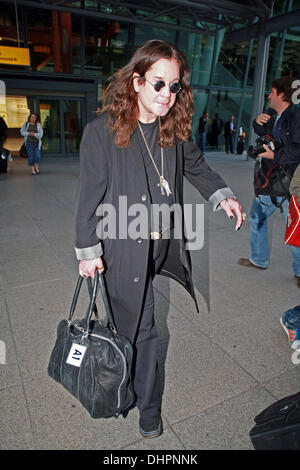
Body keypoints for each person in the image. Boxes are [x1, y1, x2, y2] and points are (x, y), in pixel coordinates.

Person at [75, 39, 242, 439]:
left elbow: (197, 167)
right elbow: (88, 197)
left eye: (175, 86)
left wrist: (224, 196)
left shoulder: (172, 131)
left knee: (137, 325)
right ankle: (142, 404)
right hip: (121, 248)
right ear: (136, 82)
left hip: (159, 248)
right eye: (158, 84)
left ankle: (132, 390)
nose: (167, 94)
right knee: (140, 329)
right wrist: (87, 251)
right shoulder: (102, 133)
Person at [238, 77, 300, 287]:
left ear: (282, 94)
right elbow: (264, 136)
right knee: (257, 219)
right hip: (269, 181)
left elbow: (297, 150)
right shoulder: (273, 115)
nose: (268, 96)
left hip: (290, 183)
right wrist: (257, 123)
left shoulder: (296, 117)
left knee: (294, 230)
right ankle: (259, 259)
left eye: (272, 92)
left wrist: (274, 156)